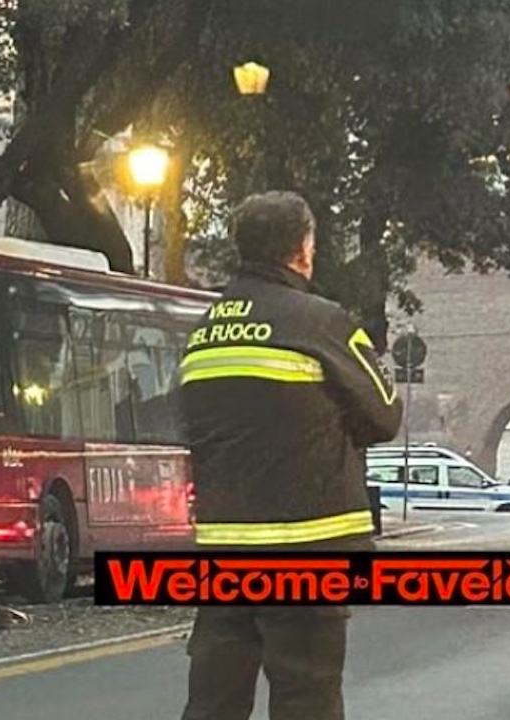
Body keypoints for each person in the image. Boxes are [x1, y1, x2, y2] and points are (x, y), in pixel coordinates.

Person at [177, 191, 404, 720]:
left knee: (215, 695)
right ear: (303, 250)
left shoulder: (203, 331)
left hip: (225, 546)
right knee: (306, 691)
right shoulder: (321, 322)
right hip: (308, 541)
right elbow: (385, 415)